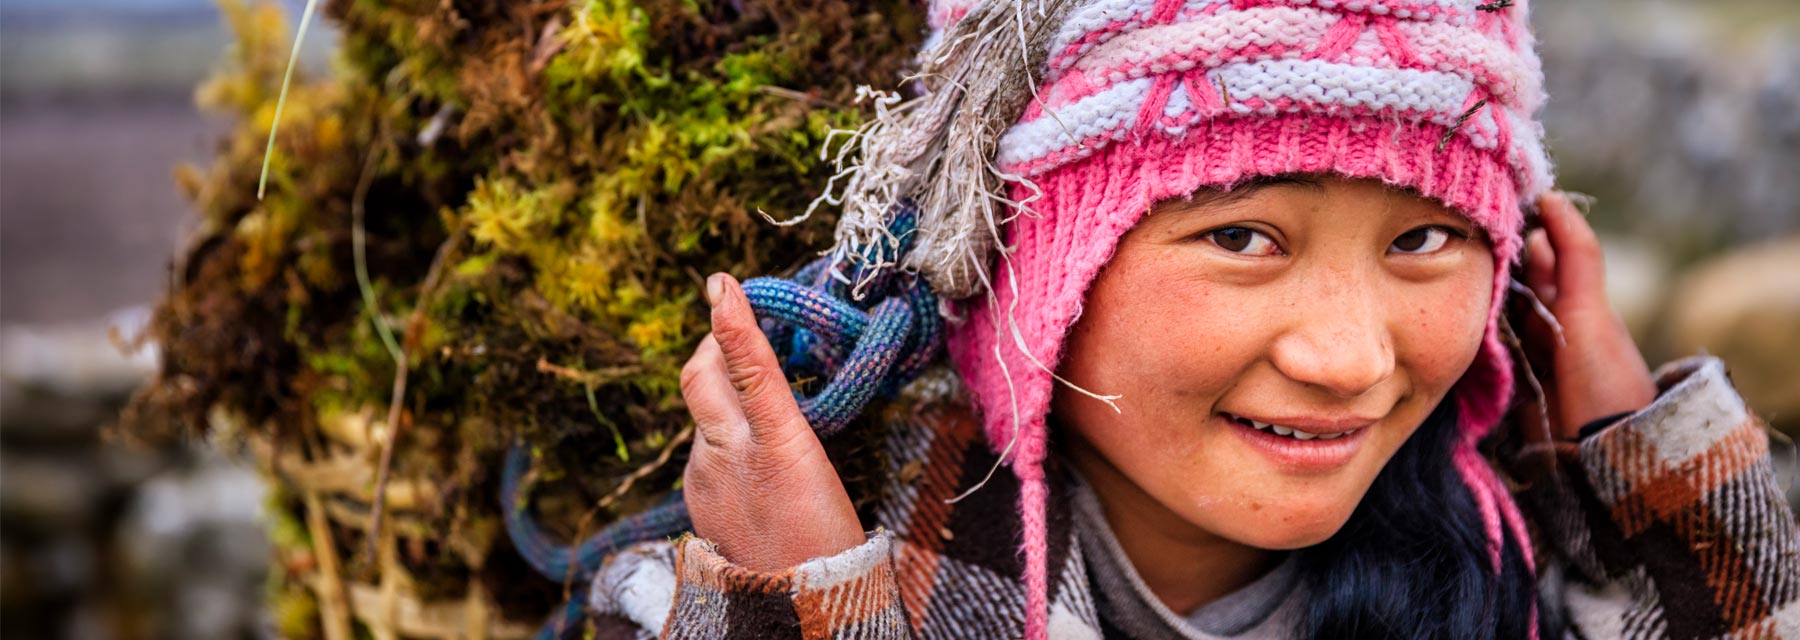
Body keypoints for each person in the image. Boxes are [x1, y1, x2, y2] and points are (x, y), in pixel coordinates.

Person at [585, 0, 1800, 637]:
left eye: (1425, 239)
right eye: (1242, 237)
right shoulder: (878, 559)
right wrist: (794, 602)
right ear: (1036, 258)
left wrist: (1647, 475)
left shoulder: (1524, 563)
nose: (1350, 359)